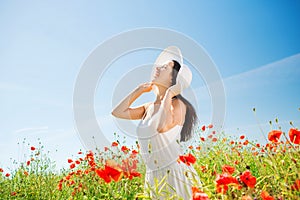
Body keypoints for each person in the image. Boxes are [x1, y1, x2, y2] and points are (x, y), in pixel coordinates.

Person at [111, 46, 201, 199]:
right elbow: (118, 112)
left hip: (174, 175)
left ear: (173, 78)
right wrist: (138, 91)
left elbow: (161, 126)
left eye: (165, 67)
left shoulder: (178, 105)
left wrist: (170, 93)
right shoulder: (148, 107)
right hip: (153, 176)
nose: (158, 68)